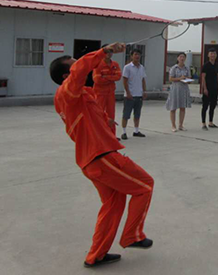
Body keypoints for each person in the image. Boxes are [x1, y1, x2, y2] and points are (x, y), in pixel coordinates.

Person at [50, 43, 154, 268]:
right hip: (101, 156)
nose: (82, 66)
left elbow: (91, 113)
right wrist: (103, 52)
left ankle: (95, 255)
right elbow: (81, 71)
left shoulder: (79, 96)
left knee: (113, 203)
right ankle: (132, 235)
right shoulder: (67, 92)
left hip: (93, 158)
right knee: (145, 186)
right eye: (75, 65)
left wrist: (106, 120)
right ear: (67, 76)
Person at [93, 44, 122, 136]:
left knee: (111, 114)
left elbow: (118, 77)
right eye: (107, 52)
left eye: (111, 51)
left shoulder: (115, 64)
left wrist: (105, 77)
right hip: (100, 93)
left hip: (110, 93)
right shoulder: (98, 64)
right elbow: (97, 80)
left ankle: (112, 135)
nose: (109, 54)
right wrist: (111, 77)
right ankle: (99, 135)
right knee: (99, 114)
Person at [122, 49, 147, 140]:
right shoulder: (127, 67)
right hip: (130, 95)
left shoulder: (141, 67)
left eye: (139, 54)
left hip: (139, 94)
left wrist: (144, 91)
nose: (137, 56)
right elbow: (125, 81)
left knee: (137, 114)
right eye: (135, 54)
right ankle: (124, 132)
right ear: (131, 56)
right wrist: (128, 92)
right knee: (126, 114)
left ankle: (136, 131)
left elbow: (143, 80)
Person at [166, 52, 192, 132]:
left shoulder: (187, 68)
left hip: (184, 89)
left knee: (182, 107)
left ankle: (181, 125)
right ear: (177, 58)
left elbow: (189, 78)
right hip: (175, 89)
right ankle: (173, 126)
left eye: (183, 57)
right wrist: (180, 78)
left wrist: (187, 79)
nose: (182, 58)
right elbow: (170, 79)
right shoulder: (174, 68)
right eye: (180, 57)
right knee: (173, 107)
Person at [200, 49, 218, 130]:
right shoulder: (205, 65)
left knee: (213, 106)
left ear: (216, 55)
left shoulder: (217, 65)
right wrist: (204, 88)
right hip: (207, 88)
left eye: (214, 54)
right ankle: (203, 123)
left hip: (215, 88)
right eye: (211, 54)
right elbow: (203, 78)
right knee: (205, 106)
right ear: (208, 55)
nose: (213, 55)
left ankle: (211, 122)